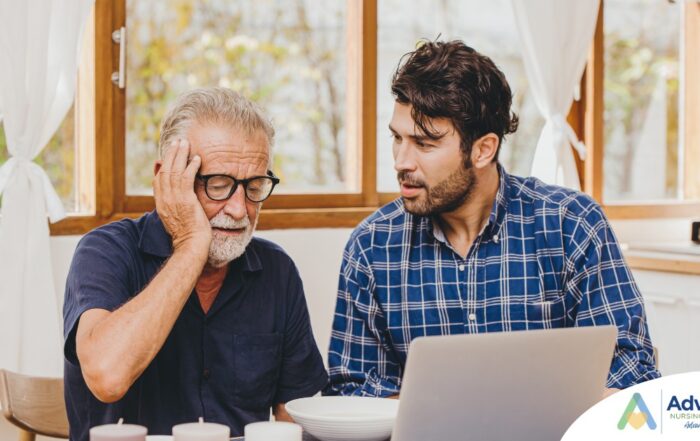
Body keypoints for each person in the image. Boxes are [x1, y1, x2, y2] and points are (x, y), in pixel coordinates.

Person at [325, 40, 660, 398]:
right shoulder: (372, 245)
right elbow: (352, 387)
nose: (401, 162)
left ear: (483, 149)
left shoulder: (571, 225)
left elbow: (631, 368)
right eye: (397, 138)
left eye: (424, 144)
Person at [63, 87, 327, 441]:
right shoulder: (105, 251)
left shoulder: (277, 272)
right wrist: (190, 247)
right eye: (218, 185)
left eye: (254, 186)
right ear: (167, 178)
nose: (238, 209)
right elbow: (107, 376)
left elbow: (294, 419)